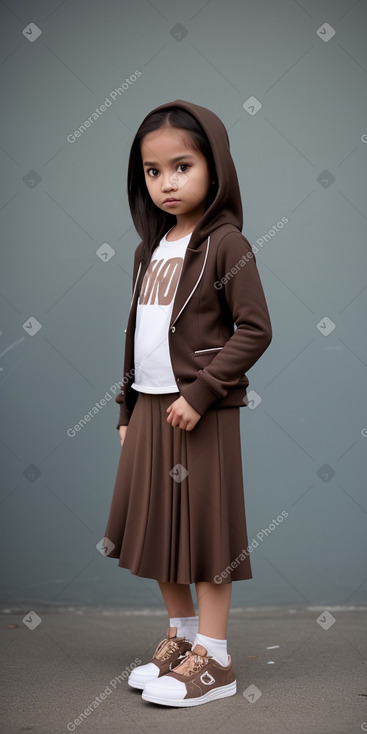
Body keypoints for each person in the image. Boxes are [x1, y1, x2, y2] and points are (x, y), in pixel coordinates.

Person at [102, 99, 272, 707]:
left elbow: (254, 330)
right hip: (149, 410)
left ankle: (217, 658)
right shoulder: (149, 250)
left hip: (201, 413)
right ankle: (182, 638)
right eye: (152, 172)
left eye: (181, 166)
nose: (166, 183)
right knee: (156, 529)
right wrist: (127, 411)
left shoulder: (227, 244)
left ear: (214, 168)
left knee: (206, 532)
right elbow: (139, 336)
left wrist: (200, 393)